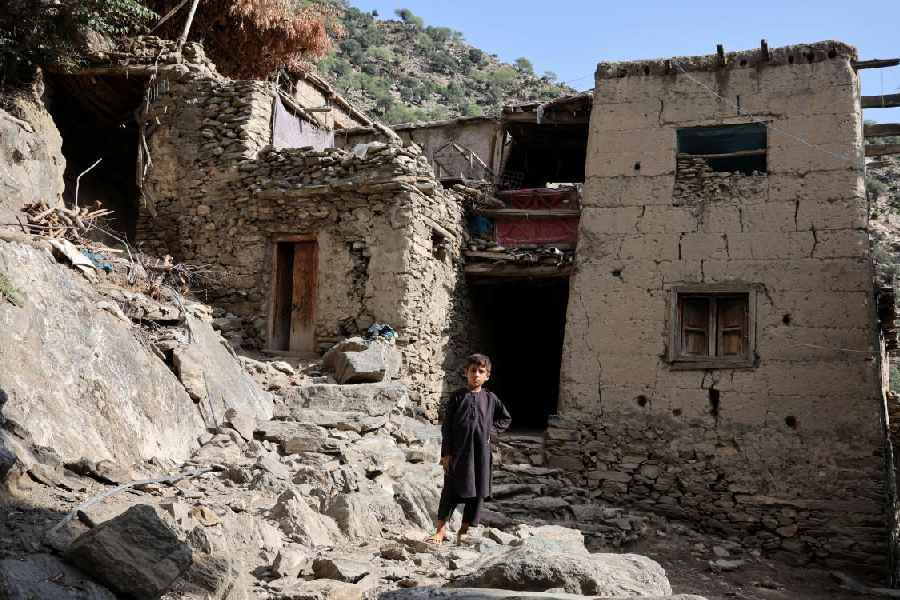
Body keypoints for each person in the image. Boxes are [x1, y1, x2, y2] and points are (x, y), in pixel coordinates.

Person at [428, 353, 512, 544]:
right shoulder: (457, 397)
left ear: (487, 376)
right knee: (450, 490)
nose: (476, 374)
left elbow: (505, 418)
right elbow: (447, 427)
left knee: (478, 491)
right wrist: (446, 453)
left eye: (481, 371)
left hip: (481, 454)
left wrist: (491, 431)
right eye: (472, 370)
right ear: (465, 372)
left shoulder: (490, 399)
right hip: (459, 452)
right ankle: (440, 530)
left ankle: (463, 531)